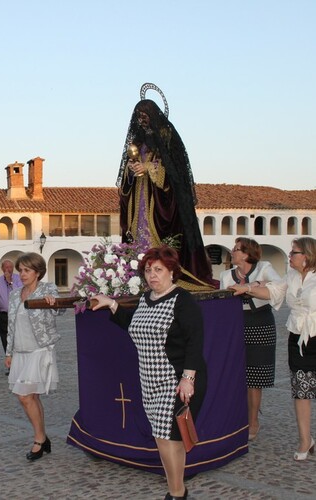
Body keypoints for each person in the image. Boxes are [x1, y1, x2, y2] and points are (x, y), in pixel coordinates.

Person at [92, 246, 207, 500]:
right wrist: (111, 303)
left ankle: (176, 493)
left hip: (176, 379)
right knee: (165, 439)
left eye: (159, 270)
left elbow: (195, 342)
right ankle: (178, 490)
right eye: (148, 270)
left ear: (172, 272)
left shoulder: (182, 299)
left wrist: (188, 379)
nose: (152, 275)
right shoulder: (146, 299)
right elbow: (134, 325)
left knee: (168, 438)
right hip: (150, 380)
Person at [117, 88, 214, 291]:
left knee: (161, 239)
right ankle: (139, 275)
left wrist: (150, 168)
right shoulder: (137, 141)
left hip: (161, 198)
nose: (141, 120)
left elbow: (176, 170)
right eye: (138, 116)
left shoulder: (166, 135)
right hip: (140, 195)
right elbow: (126, 172)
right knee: (137, 235)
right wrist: (132, 169)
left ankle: (165, 275)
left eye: (145, 115)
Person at [229, 237, 316, 461]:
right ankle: (306, 440)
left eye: (294, 252)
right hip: (298, 339)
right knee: (301, 391)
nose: (290, 255)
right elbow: (273, 292)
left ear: (306, 256)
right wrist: (245, 288)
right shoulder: (292, 276)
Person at [5, 252, 65, 461]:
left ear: (37, 272)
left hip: (39, 350)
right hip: (20, 351)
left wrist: (53, 303)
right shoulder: (14, 294)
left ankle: (39, 438)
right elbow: (10, 325)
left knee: (24, 396)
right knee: (32, 396)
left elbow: (60, 311)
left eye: (27, 270)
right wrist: (9, 352)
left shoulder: (48, 289)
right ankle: (43, 437)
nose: (22, 274)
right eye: (20, 270)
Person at [220, 238, 280, 440]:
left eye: (236, 249)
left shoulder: (264, 268)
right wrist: (257, 286)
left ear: (246, 254)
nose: (232, 252)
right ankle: (238, 418)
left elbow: (277, 288)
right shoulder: (226, 275)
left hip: (260, 324)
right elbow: (223, 300)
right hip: (237, 324)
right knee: (236, 374)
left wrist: (249, 287)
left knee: (255, 378)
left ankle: (253, 421)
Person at [0, 259, 23, 355]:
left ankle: (18, 364)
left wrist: (10, 282)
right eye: (6, 267)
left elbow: (20, 293)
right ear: (2, 269)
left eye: (10, 267)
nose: (9, 269)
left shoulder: (19, 278)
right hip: (3, 315)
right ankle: (10, 363)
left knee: (17, 339)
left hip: (17, 314)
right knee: (5, 339)